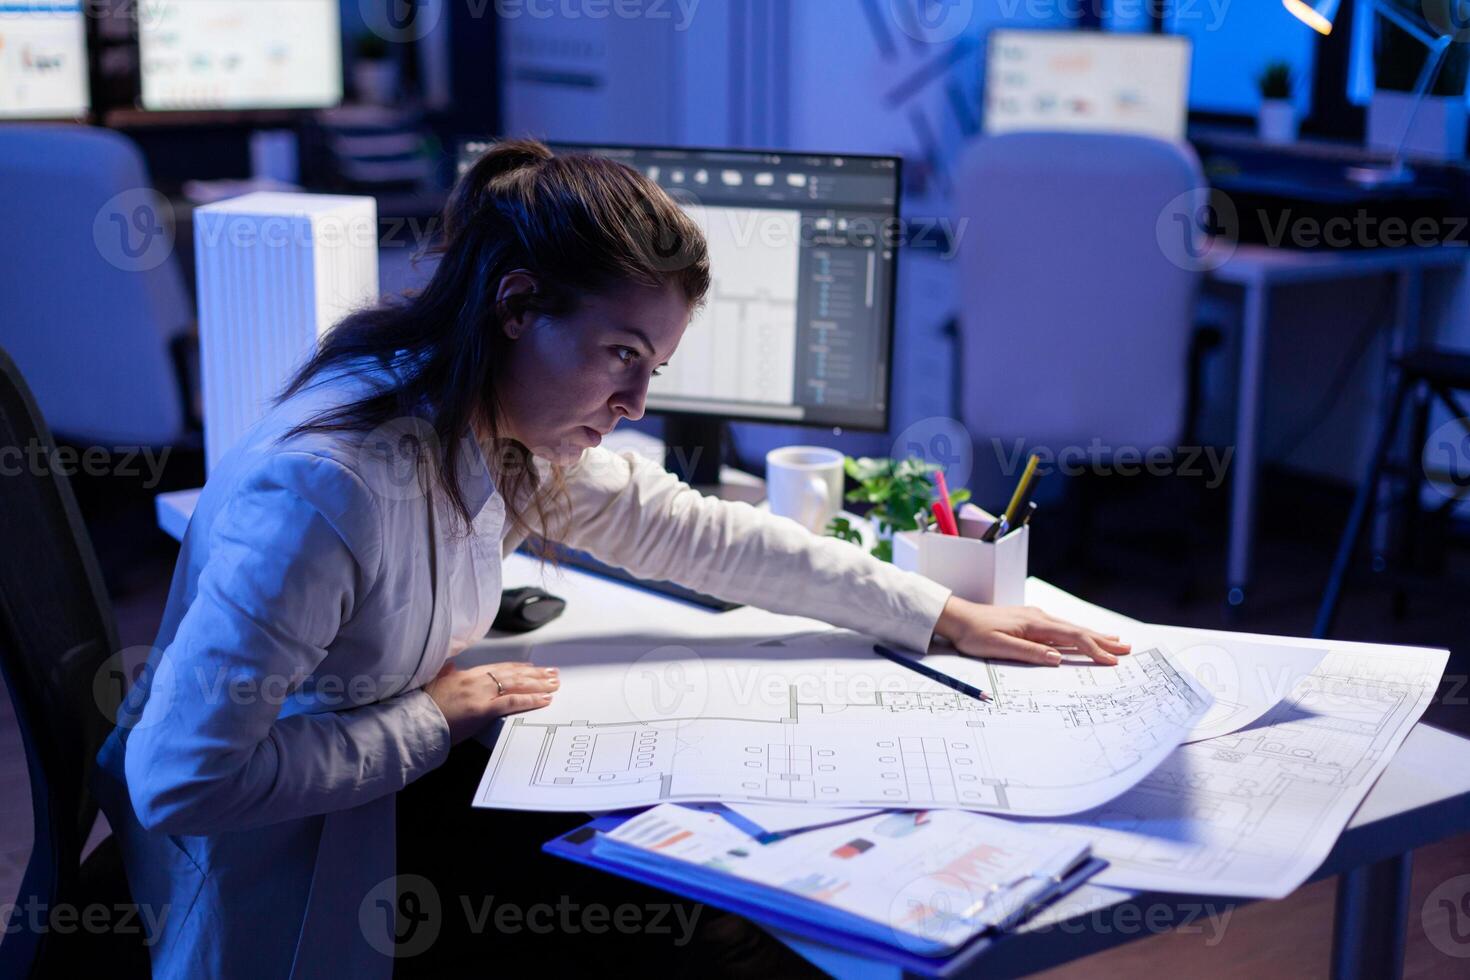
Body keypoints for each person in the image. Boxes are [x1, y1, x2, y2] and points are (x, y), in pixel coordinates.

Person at [93, 138, 1130, 979]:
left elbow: (692, 529)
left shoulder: (492, 417)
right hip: (304, 860)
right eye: (621, 354)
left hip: (384, 799)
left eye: (654, 367)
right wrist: (433, 717)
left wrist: (938, 614)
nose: (635, 402)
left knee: (688, 891)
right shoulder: (327, 490)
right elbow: (180, 781)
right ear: (516, 306)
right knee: (703, 933)